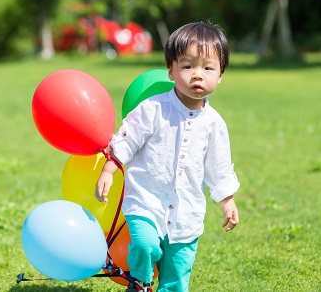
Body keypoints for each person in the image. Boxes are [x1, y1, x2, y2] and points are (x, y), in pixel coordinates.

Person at [95, 21, 240, 292]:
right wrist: (109, 168)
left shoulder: (214, 124)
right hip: (146, 200)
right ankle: (139, 281)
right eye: (187, 66)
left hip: (187, 210)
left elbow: (218, 167)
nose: (198, 75)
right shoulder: (153, 108)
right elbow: (128, 137)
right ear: (171, 70)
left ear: (220, 75)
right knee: (145, 245)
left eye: (208, 68)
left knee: (176, 277)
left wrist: (227, 200)